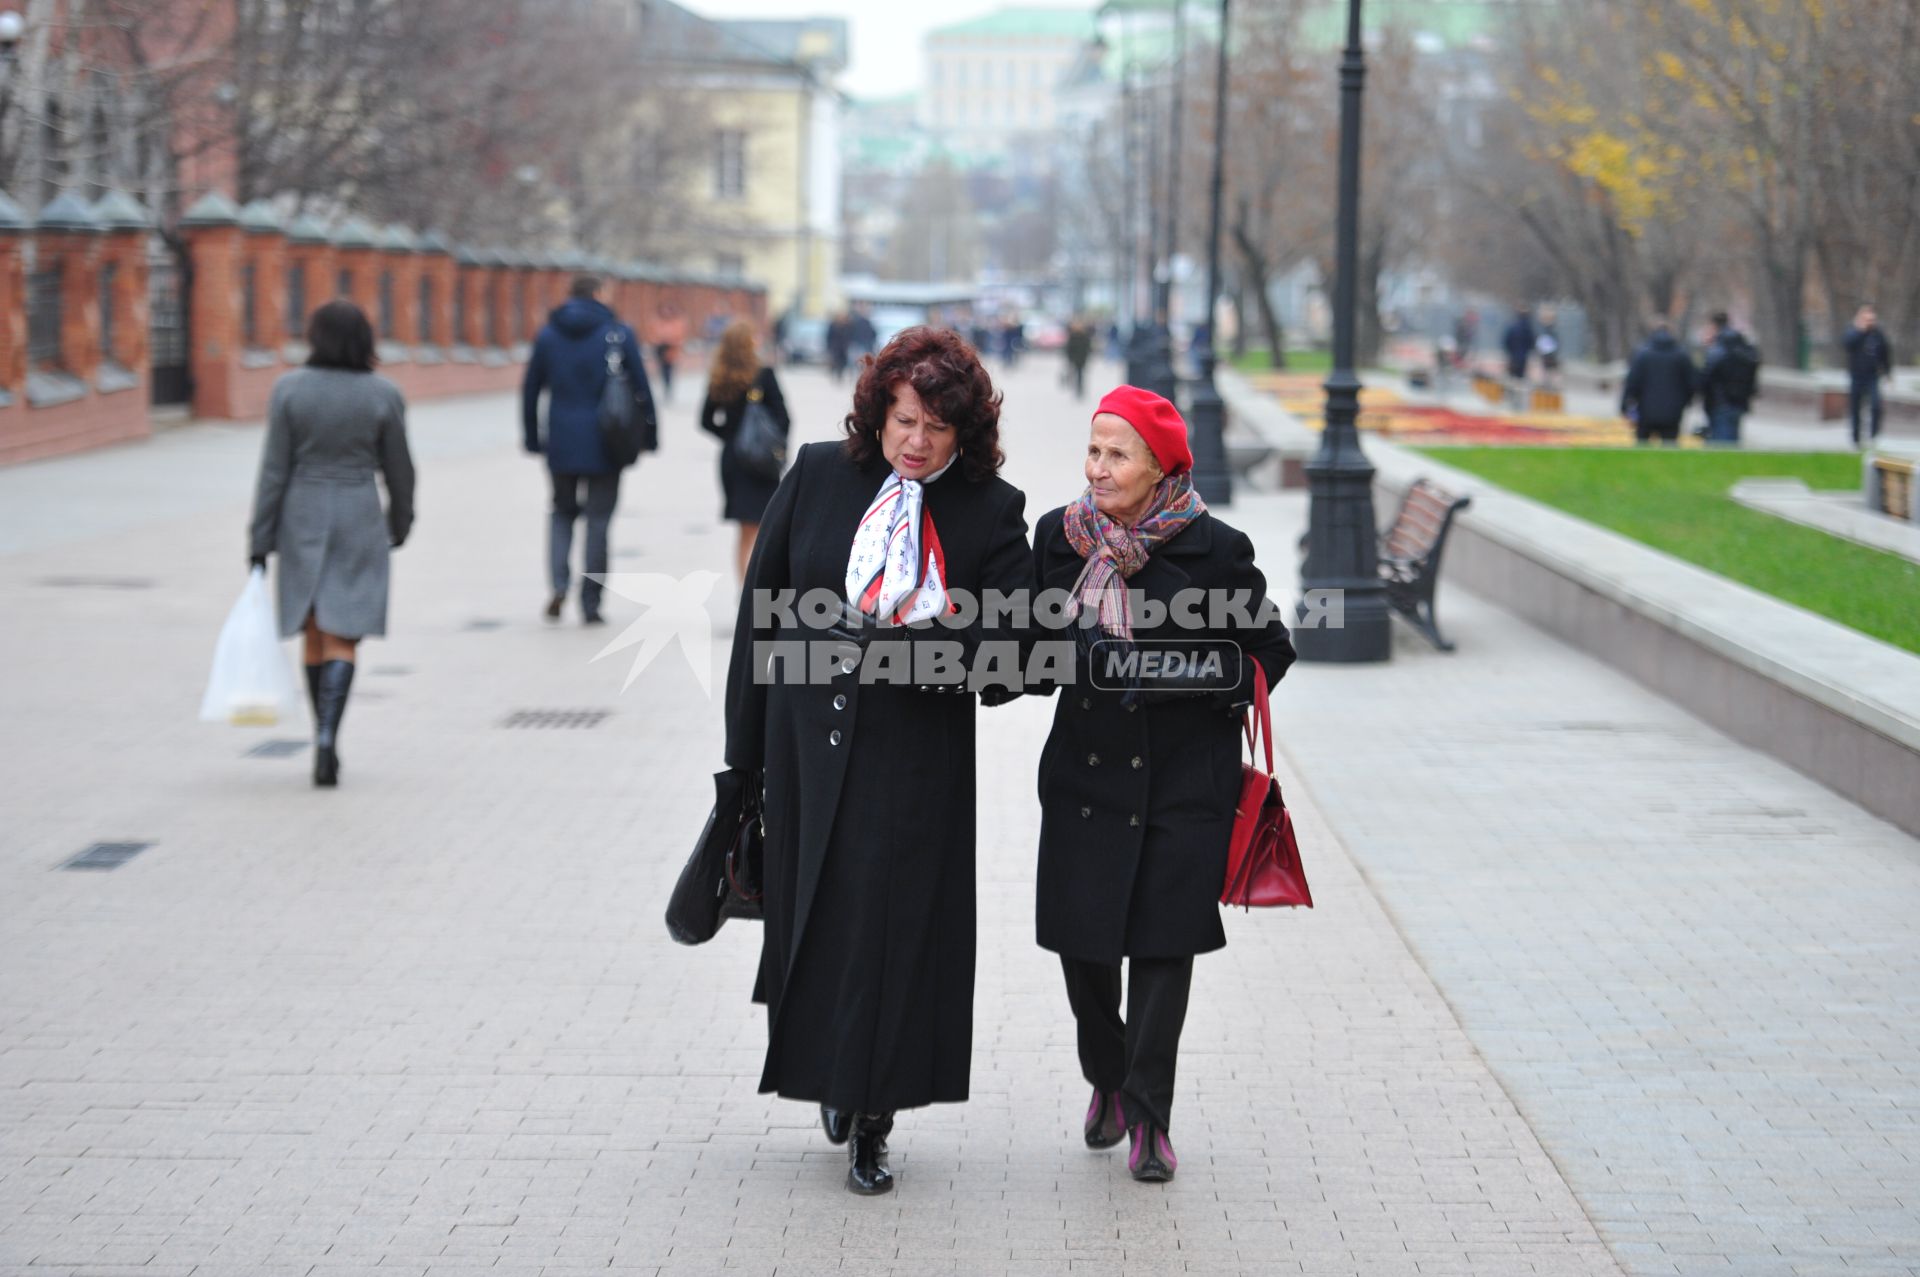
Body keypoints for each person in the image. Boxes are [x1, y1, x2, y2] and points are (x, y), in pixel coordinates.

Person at [722, 327, 1031, 1197]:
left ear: (965, 430)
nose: (916, 440)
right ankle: (833, 1075)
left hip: (914, 759)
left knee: (891, 933)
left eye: (937, 424)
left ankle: (870, 1117)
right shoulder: (821, 475)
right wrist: (738, 762)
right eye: (903, 419)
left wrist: (930, 636)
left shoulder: (988, 510)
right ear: (877, 413)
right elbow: (761, 620)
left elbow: (1013, 655)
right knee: (822, 920)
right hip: (805, 750)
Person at [1028, 385, 1296, 1184]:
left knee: (1162, 949)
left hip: (1184, 783)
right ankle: (1106, 1076)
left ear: (1159, 465)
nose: (1097, 467)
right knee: (1084, 953)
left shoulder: (1217, 549)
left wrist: (1207, 681)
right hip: (1087, 776)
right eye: (1093, 449)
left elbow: (1269, 650)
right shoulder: (1059, 541)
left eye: (1116, 454)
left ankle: (1149, 1115)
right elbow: (1033, 648)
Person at [248, 300, 415, 789]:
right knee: (345, 631)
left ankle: (320, 736)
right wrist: (400, 521)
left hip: (301, 514)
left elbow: (274, 469)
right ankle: (327, 735)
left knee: (315, 628)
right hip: (359, 514)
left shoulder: (289, 389)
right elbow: (400, 468)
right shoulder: (384, 393)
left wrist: (259, 538)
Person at [522, 274, 654, 625]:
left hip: (561, 441)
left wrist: (533, 437)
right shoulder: (618, 333)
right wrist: (650, 435)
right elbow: (641, 387)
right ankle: (591, 602)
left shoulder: (548, 335)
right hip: (607, 442)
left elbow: (531, 389)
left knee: (562, 512)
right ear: (599, 294)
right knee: (598, 521)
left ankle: (559, 584)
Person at [701, 319, 792, 582]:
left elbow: (705, 420)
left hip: (733, 461)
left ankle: (744, 593)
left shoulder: (720, 376)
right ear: (748, 343)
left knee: (745, 531)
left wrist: (730, 437)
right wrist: (774, 445)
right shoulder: (763, 374)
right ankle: (757, 593)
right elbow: (784, 418)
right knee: (765, 528)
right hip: (761, 462)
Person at [1620, 319, 1698, 446]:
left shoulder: (1643, 355)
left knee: (1642, 447)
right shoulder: (1681, 356)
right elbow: (1692, 383)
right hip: (1673, 412)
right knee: (1670, 447)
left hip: (1645, 410)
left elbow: (1632, 383)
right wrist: (1685, 402)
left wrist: (1625, 406)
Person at [1699, 312, 1761, 444]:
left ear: (1714, 326)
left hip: (1720, 402)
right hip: (1739, 403)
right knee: (1732, 442)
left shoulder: (1719, 348)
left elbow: (1706, 376)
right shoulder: (1742, 345)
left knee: (1721, 444)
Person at [1843, 304, 1894, 447]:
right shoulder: (1853, 333)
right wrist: (1860, 331)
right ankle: (1856, 439)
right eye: (1867, 319)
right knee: (1855, 407)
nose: (1869, 323)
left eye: (1872, 320)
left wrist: (1888, 373)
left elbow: (1885, 354)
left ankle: (1874, 435)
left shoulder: (1877, 334)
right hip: (1856, 376)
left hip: (1872, 376)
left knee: (1876, 405)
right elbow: (1846, 345)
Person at [649, 302, 687, 402]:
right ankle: (666, 387)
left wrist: (671, 341)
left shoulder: (676, 322)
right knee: (662, 370)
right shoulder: (658, 322)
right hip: (661, 348)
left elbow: (679, 336)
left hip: (671, 349)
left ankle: (668, 389)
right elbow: (653, 335)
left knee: (669, 370)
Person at [1502, 306, 1536, 404]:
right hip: (1523, 357)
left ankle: (1511, 396)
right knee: (1521, 378)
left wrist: (1510, 352)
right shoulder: (1529, 328)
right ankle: (1519, 398)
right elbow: (1531, 343)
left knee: (1512, 377)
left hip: (1513, 357)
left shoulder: (1513, 327)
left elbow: (1506, 340)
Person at [1064, 317, 1094, 400]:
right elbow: (1068, 348)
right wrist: (1069, 358)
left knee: (1080, 375)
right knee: (1074, 374)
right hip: (1074, 359)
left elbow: (1088, 348)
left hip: (1082, 359)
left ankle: (1080, 389)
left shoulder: (1085, 336)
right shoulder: (1072, 336)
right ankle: (1075, 388)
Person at [825, 310, 853, 383]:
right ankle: (835, 374)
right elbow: (829, 336)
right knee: (835, 361)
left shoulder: (848, 325)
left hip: (844, 347)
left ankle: (840, 375)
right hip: (835, 347)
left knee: (843, 362)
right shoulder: (833, 325)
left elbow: (850, 336)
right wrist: (828, 347)